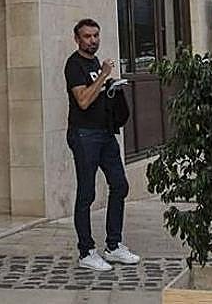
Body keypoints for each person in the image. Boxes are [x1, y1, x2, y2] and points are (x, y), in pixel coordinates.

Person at [64, 18, 141, 271]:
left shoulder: (96, 63)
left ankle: (113, 245)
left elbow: (96, 95)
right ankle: (86, 251)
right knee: (87, 193)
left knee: (120, 185)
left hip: (105, 133)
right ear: (77, 39)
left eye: (96, 35)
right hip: (84, 135)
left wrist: (111, 86)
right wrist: (105, 76)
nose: (93, 40)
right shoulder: (74, 65)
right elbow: (83, 100)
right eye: (87, 36)